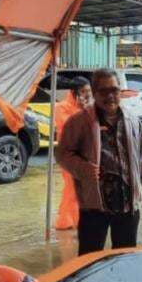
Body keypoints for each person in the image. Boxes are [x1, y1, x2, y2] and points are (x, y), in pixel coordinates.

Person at [56, 68, 142, 256]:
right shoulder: (79, 122)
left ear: (120, 91)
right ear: (94, 93)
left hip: (127, 205)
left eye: (114, 90)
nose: (110, 95)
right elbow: (62, 153)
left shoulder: (133, 120)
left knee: (124, 260)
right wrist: (83, 168)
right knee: (89, 261)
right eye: (103, 91)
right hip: (94, 206)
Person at [54, 77, 92, 230]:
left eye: (88, 92)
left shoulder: (87, 109)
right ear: (73, 92)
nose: (86, 95)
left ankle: (74, 221)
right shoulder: (61, 107)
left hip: (85, 155)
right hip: (69, 156)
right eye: (83, 92)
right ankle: (65, 222)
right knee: (72, 188)